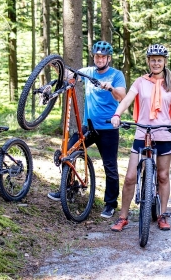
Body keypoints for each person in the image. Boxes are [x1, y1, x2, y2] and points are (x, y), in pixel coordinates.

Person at [110, 44, 171, 232]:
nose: (156, 63)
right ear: (148, 61)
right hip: (142, 132)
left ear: (164, 62)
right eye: (152, 59)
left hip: (163, 133)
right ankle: (123, 217)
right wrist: (117, 115)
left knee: (163, 176)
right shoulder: (140, 82)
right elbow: (127, 99)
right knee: (130, 177)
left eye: (159, 60)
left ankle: (162, 215)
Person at [47, 41, 127, 218]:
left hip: (108, 128)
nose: (99, 59)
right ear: (94, 57)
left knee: (110, 167)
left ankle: (110, 204)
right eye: (97, 56)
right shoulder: (89, 72)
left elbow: (121, 95)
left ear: (108, 58)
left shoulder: (116, 74)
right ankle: (67, 188)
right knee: (67, 151)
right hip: (88, 127)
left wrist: (111, 87)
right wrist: (55, 64)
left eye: (103, 56)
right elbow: (70, 75)